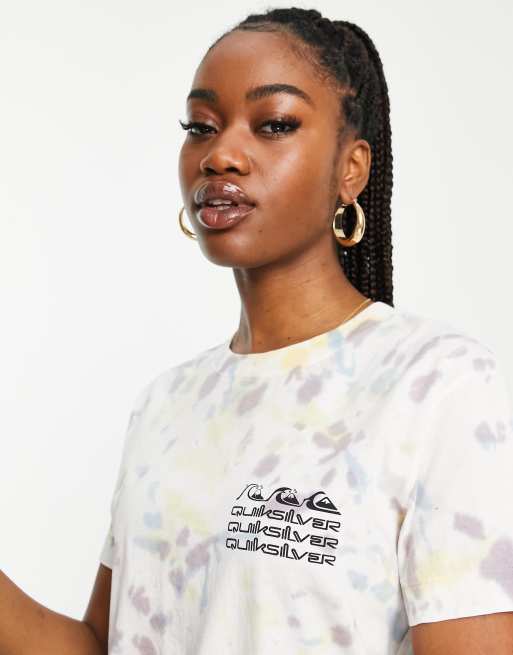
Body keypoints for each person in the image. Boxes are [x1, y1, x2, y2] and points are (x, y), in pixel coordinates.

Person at [2, 6, 512, 655]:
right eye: (201, 126)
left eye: (274, 124)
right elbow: (104, 646)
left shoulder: (436, 387)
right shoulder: (167, 404)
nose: (220, 154)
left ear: (350, 168)